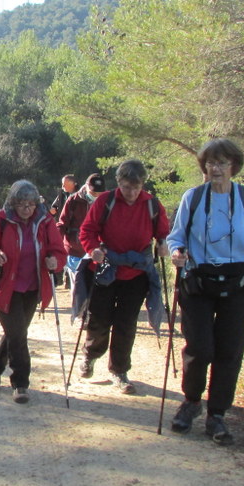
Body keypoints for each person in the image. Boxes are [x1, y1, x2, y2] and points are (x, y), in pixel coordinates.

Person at [166, 138, 244, 445]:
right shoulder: (193, 197)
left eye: (222, 163)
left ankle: (217, 415)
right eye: (211, 163)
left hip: (239, 282)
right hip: (199, 280)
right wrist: (177, 252)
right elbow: (175, 236)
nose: (216, 169)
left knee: (229, 351)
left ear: (234, 167)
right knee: (200, 347)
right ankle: (191, 402)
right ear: (204, 167)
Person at [78, 160, 170, 394]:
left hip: (137, 272)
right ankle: (90, 355)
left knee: (126, 323)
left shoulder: (152, 205)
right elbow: (87, 231)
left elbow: (163, 233)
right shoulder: (105, 201)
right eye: (127, 187)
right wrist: (93, 249)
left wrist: (163, 244)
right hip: (107, 268)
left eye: (136, 187)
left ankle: (119, 370)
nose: (132, 192)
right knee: (99, 319)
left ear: (142, 184)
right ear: (119, 183)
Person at [0, 180, 67, 404]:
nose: (27, 209)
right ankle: (21, 383)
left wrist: (55, 261)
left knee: (16, 332)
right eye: (22, 204)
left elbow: (59, 251)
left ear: (37, 204)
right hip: (5, 288)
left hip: (33, 289)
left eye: (31, 204)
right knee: (18, 334)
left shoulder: (45, 222)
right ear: (13, 204)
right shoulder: (3, 221)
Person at [58, 172, 106, 318]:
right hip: (75, 251)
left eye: (99, 192)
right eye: (93, 192)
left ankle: (92, 314)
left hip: (98, 252)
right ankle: (80, 315)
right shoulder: (73, 201)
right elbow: (62, 223)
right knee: (78, 287)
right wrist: (54, 243)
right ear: (86, 187)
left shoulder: (108, 201)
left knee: (97, 286)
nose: (96, 195)